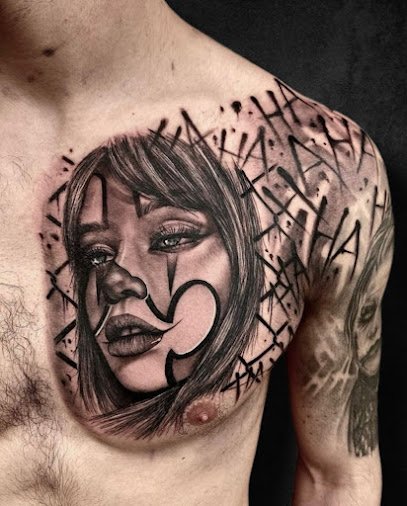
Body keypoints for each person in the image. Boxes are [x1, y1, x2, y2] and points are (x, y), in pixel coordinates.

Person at [0, 1, 393, 505]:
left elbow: (336, 479)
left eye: (170, 239)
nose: (116, 281)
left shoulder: (320, 167)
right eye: (95, 254)